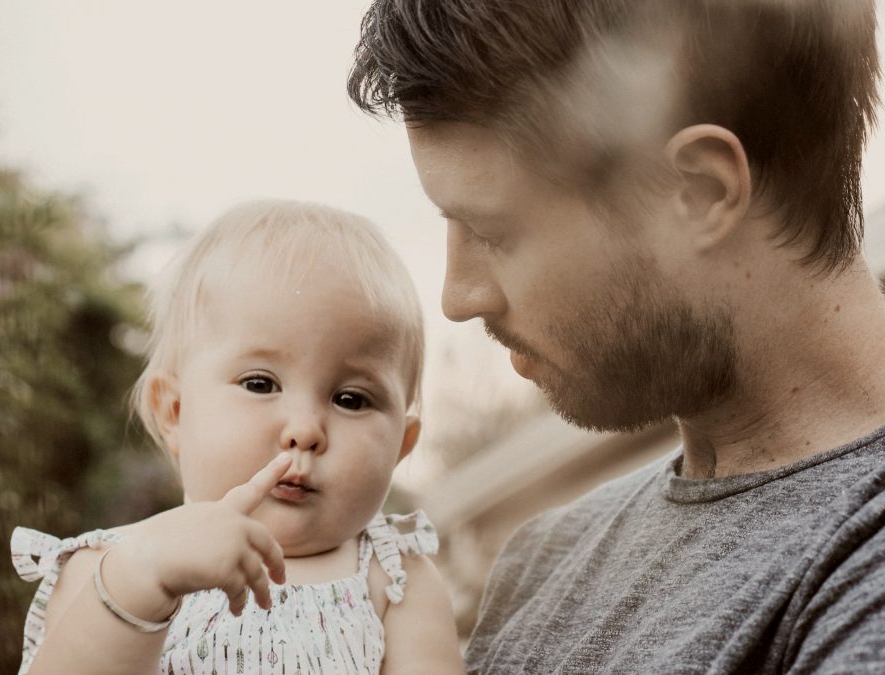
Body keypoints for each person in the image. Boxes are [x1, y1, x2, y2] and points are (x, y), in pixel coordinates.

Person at [347, 0, 885, 672]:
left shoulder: (859, 559)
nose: (460, 296)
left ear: (700, 193)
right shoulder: (542, 559)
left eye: (492, 232)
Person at [9, 200, 464, 674]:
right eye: (260, 384)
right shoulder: (108, 567)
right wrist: (140, 585)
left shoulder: (395, 580)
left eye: (351, 399)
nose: (305, 431)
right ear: (175, 412)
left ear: (402, 445)